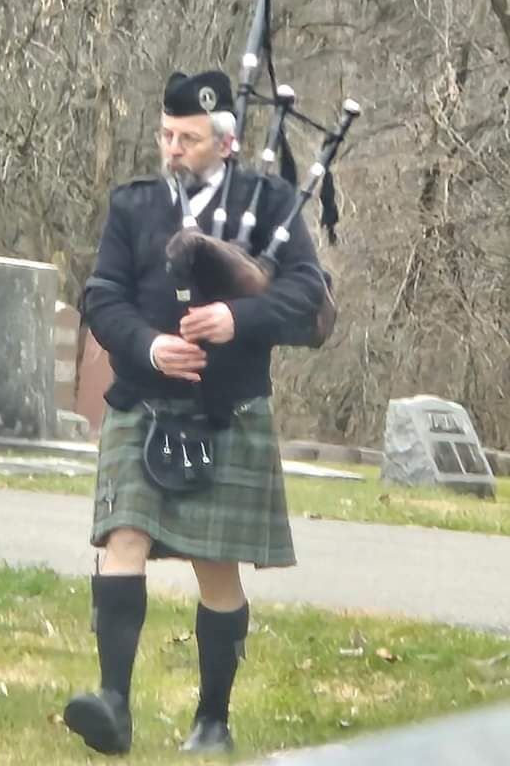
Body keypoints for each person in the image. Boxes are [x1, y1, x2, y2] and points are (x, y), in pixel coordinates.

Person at [63, 69, 325, 757]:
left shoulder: (270, 207)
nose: (172, 149)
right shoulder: (135, 207)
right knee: (124, 539)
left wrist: (237, 317)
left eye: (188, 138)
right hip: (143, 402)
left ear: (226, 143)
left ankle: (213, 721)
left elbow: (307, 294)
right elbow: (103, 297)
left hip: (227, 409)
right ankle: (113, 703)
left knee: (216, 567)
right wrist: (148, 346)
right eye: (166, 135)